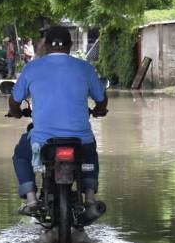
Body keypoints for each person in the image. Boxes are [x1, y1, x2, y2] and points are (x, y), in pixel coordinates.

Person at [8, 26, 108, 218]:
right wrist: (99, 110)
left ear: (46, 46)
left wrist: (15, 112)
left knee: (21, 155)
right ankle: (89, 197)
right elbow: (101, 99)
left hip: (41, 141)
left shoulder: (31, 68)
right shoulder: (85, 68)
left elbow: (14, 100)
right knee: (90, 155)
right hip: (80, 140)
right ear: (70, 46)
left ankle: (31, 199)